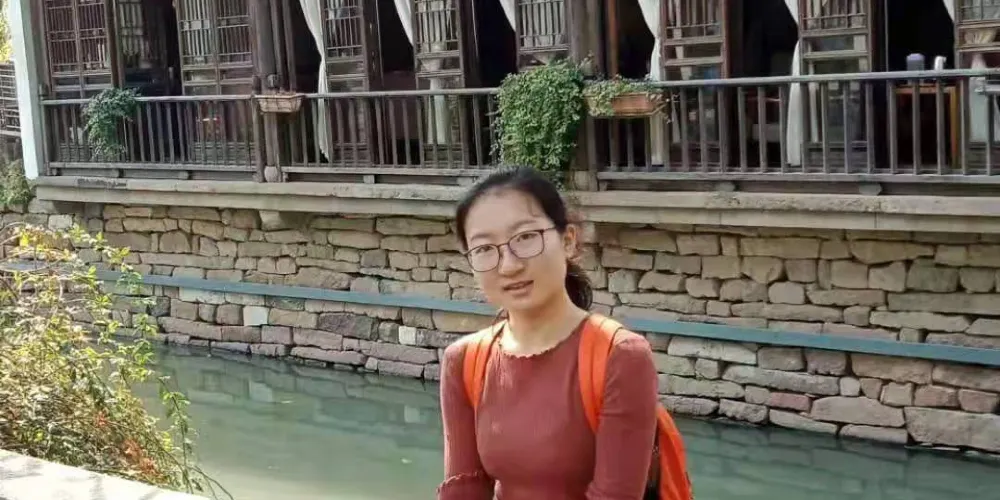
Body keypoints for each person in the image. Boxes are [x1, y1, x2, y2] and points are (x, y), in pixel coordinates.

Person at [437, 166, 659, 500]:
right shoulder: (465, 361)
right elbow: (463, 490)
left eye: (525, 237)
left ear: (568, 241)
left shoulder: (620, 356)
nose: (509, 265)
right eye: (484, 249)